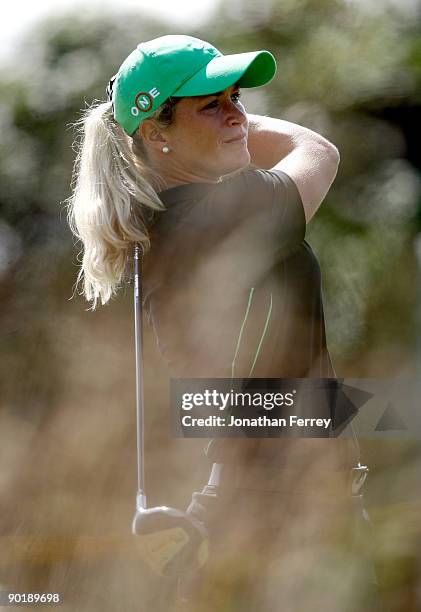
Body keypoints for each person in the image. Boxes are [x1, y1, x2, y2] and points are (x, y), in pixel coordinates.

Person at [67, 34, 380, 611]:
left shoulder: (171, 216)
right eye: (211, 104)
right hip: (275, 508)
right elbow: (317, 151)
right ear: (156, 134)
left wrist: (207, 116)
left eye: (237, 96)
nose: (236, 113)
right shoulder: (224, 211)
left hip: (271, 496)